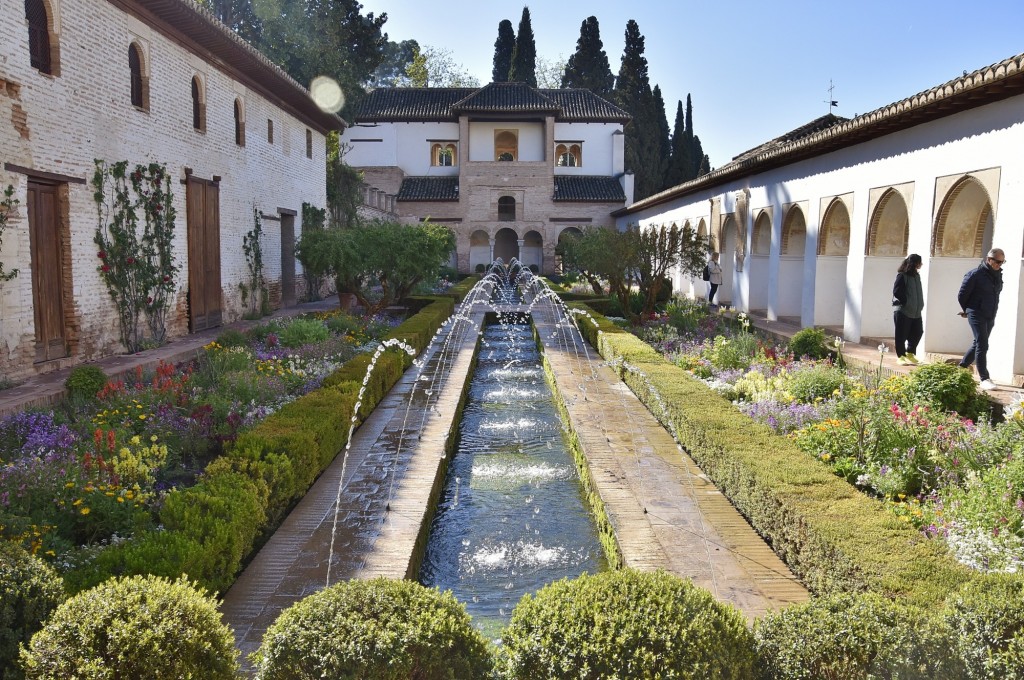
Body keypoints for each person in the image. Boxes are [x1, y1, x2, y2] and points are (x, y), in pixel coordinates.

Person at [957, 247, 1005, 391]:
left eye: (1002, 262)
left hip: (990, 314)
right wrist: (967, 310)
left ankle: (962, 367)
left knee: (978, 343)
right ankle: (984, 378)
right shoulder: (975, 274)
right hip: (976, 312)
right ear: (988, 259)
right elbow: (962, 294)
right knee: (982, 344)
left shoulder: (998, 275)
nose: (998, 265)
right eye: (996, 261)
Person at [892, 254, 924, 365]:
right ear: (915, 263)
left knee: (918, 332)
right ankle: (901, 356)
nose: (921, 264)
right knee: (901, 335)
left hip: (916, 312)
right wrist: (906, 302)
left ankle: (910, 353)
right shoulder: (902, 276)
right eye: (920, 262)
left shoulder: (916, 276)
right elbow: (896, 291)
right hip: (903, 311)